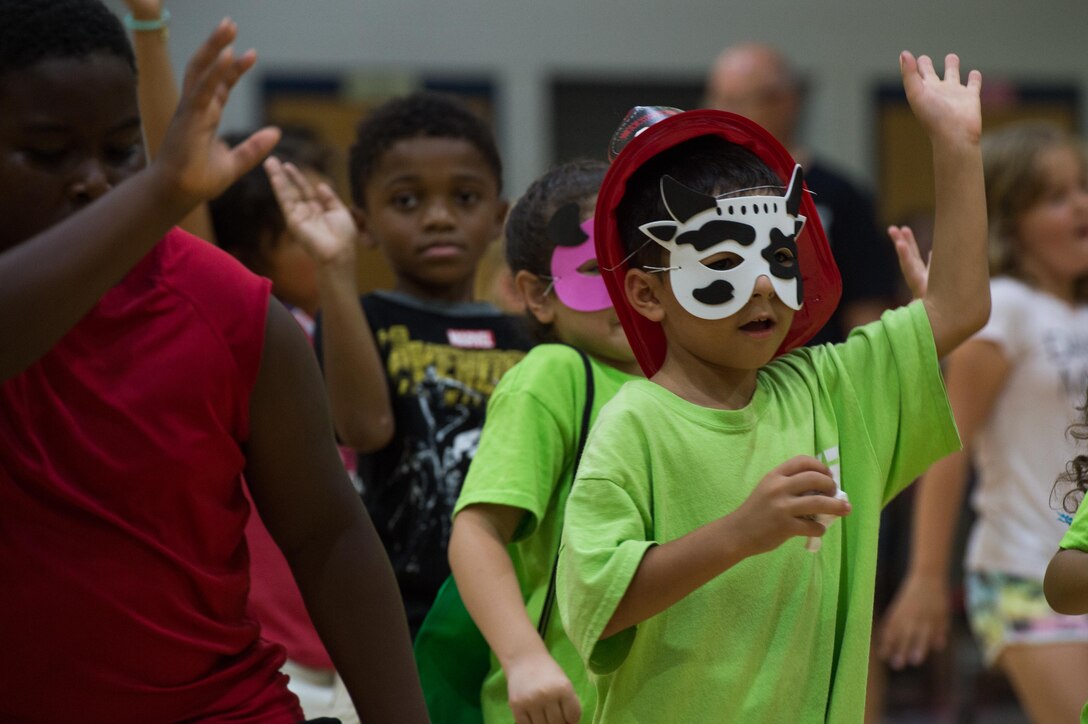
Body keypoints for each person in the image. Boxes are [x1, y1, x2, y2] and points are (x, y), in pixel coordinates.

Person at [0, 2, 427, 722]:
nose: (94, 182)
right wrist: (160, 188)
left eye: (122, 150)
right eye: (48, 153)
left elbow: (329, 533)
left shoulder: (226, 305)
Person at [556, 51, 986, 723]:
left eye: (778, 257)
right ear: (644, 293)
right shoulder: (632, 423)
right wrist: (741, 532)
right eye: (725, 260)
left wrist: (956, 148)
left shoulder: (830, 386)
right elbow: (599, 605)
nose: (762, 284)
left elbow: (959, 309)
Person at [265, 92, 534, 637]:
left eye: (464, 197)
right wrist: (334, 269)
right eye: (407, 201)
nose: (438, 218)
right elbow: (364, 429)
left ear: (497, 217)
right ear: (364, 222)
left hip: (524, 612)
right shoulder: (361, 321)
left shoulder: (529, 334)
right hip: (409, 617)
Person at [878, 122, 1088, 724]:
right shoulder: (1005, 313)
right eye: (1055, 196)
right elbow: (951, 445)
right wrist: (923, 578)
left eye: (1081, 187)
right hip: (1023, 568)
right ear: (1009, 222)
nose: (1080, 205)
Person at [447, 159, 640, 724]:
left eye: (644, 259)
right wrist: (524, 659)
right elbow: (477, 531)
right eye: (594, 269)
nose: (629, 288)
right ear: (537, 295)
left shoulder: (686, 382)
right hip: (561, 708)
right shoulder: (552, 375)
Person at [704, 42, 899, 345]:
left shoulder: (839, 194)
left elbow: (866, 305)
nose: (724, 114)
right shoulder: (699, 190)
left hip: (814, 371)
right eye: (718, 99)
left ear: (786, 102)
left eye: (740, 100)